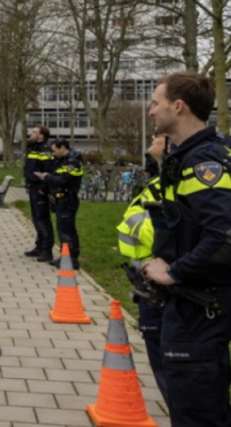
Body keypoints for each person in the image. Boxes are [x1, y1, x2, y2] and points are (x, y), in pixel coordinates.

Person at [143, 72, 231, 425]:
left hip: (202, 304)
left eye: (155, 103)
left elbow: (225, 237)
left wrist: (175, 272)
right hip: (190, 301)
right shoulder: (184, 158)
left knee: (198, 414)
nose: (151, 111)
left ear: (177, 107)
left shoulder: (204, 162)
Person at [117, 131, 168, 406]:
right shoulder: (158, 183)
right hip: (147, 282)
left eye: (160, 136)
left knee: (172, 370)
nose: (153, 136)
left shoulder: (174, 185)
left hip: (165, 283)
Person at [35, 139, 83, 269]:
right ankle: (65, 256)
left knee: (67, 231)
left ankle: (71, 259)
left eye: (55, 150)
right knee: (62, 230)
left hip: (68, 199)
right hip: (61, 200)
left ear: (62, 148)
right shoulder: (61, 161)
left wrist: (46, 177)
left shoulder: (72, 162)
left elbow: (64, 180)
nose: (53, 153)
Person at [23, 125, 55, 262]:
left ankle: (47, 250)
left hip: (39, 189)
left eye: (35, 132)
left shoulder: (45, 150)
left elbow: (47, 172)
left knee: (43, 220)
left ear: (41, 136)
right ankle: (39, 246)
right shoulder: (33, 148)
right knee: (36, 219)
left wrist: (44, 187)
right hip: (32, 187)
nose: (31, 133)